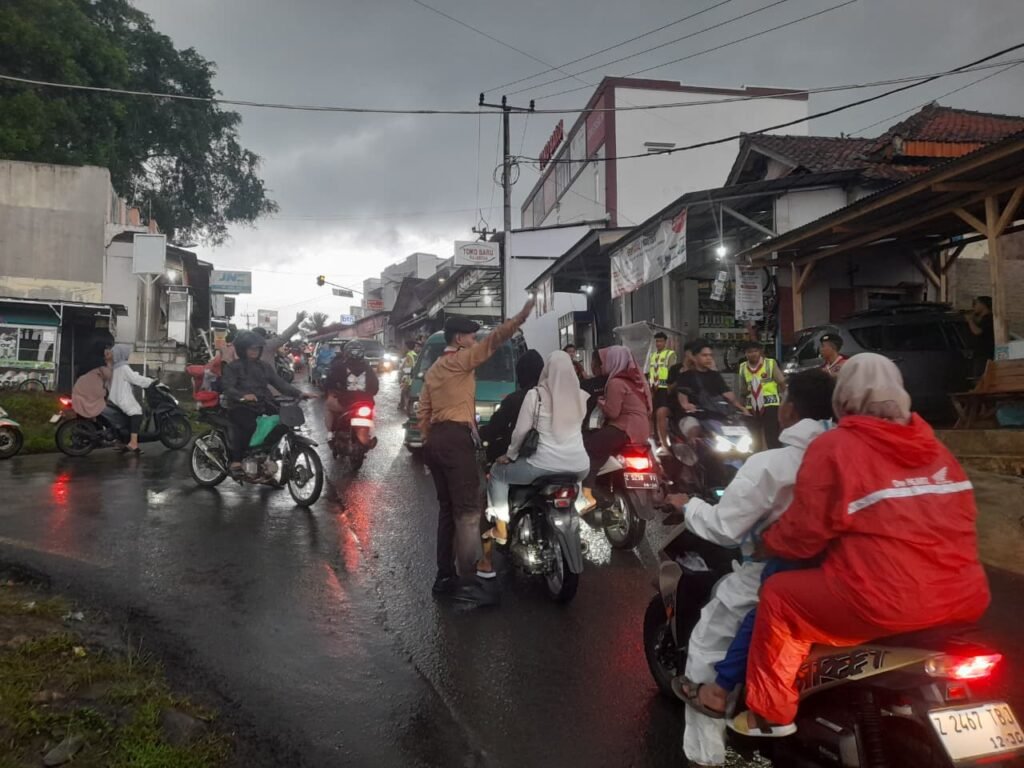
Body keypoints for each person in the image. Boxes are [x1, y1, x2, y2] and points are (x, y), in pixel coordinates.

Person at [730, 353, 990, 738]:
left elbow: (804, 535)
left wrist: (767, 544)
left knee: (780, 596)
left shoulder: (835, 446)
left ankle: (770, 714)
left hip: (880, 602)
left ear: (844, 397)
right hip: (965, 598)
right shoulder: (937, 449)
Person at [661, 369, 835, 768]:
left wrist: (687, 505)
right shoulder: (855, 456)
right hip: (842, 574)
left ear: (788, 409)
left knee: (708, 640)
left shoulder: (772, 464)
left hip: (771, 573)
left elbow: (724, 527)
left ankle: (706, 754)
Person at [420, 298, 535, 607]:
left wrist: (432, 445)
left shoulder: (433, 371)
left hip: (436, 441)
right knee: (468, 514)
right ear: (459, 339)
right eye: (471, 336)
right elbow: (494, 342)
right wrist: (519, 318)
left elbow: (424, 412)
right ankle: (470, 585)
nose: (475, 341)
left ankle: (445, 577)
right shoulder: (458, 360)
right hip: (456, 439)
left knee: (448, 511)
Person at [478, 351, 590, 577]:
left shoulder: (536, 396)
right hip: (580, 466)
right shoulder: (581, 396)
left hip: (543, 465)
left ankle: (500, 526)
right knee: (573, 485)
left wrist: (509, 455)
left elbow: (520, 433)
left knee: (498, 473)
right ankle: (578, 510)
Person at [221, 330, 314, 475]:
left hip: (263, 403)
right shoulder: (233, 367)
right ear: (242, 349)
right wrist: (243, 396)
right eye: (251, 348)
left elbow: (280, 383)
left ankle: (266, 453)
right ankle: (237, 460)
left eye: (257, 348)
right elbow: (228, 387)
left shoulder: (264, 366)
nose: (255, 351)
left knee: (284, 421)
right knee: (248, 425)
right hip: (239, 405)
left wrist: (300, 393)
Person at [581, 346, 652, 511]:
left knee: (589, 446)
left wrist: (601, 401)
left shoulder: (615, 382)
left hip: (624, 429)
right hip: (641, 430)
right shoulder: (633, 381)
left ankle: (589, 492)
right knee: (602, 446)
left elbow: (613, 412)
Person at [479, 349, 544, 464]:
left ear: (520, 373)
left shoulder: (514, 399)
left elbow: (495, 428)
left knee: (495, 472)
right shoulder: (553, 398)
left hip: (521, 456)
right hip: (553, 456)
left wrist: (480, 434)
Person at [674, 339, 746, 440]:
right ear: (694, 357)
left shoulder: (715, 376)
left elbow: (728, 395)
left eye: (710, 355)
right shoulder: (685, 376)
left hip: (717, 416)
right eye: (704, 355)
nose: (708, 358)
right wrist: (688, 406)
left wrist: (742, 409)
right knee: (694, 431)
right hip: (694, 416)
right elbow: (683, 400)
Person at [324, 343, 379, 447]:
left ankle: (330, 434)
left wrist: (331, 392)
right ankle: (371, 434)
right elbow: (375, 388)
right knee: (371, 414)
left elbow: (329, 384)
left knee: (328, 405)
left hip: (345, 403)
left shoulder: (338, 365)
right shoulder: (368, 367)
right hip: (366, 403)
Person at [737, 341, 787, 450]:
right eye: (749, 352)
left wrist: (785, 400)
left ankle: (774, 459)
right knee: (754, 438)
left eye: (755, 351)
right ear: (745, 354)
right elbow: (742, 390)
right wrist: (742, 408)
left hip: (770, 405)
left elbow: (782, 383)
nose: (753, 354)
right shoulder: (743, 367)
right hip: (752, 407)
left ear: (760, 352)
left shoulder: (770, 363)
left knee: (772, 436)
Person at [107, 344, 155, 452]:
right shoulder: (123, 368)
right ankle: (133, 443)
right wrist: (151, 382)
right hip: (122, 398)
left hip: (114, 397)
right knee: (137, 411)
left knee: (131, 412)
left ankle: (122, 441)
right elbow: (135, 379)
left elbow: (131, 376)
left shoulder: (115, 367)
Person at [71, 339, 113, 420]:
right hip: (92, 393)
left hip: (79, 390)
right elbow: (109, 375)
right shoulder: (100, 362)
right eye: (107, 349)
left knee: (83, 415)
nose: (109, 351)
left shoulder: (87, 359)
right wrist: (109, 361)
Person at [965, 295, 995, 377]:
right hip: (979, 355)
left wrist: (970, 320)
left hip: (984, 355)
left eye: (976, 303)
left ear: (983, 305)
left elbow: (978, 331)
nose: (974, 306)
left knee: (980, 379)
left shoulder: (989, 318)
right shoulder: (982, 319)